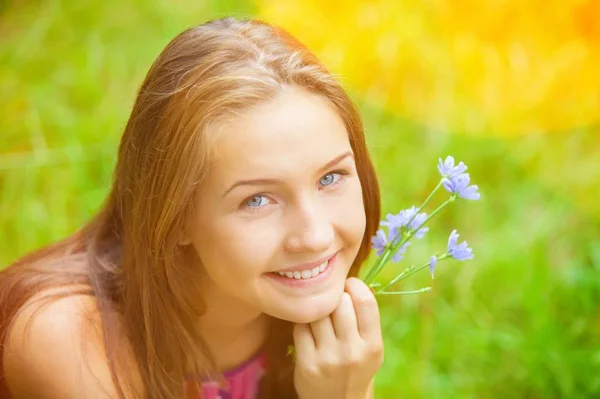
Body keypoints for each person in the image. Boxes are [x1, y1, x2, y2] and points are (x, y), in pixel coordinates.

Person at [0, 16, 383, 399]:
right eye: (257, 200)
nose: (315, 236)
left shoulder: (301, 319)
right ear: (175, 215)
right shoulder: (68, 338)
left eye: (330, 178)